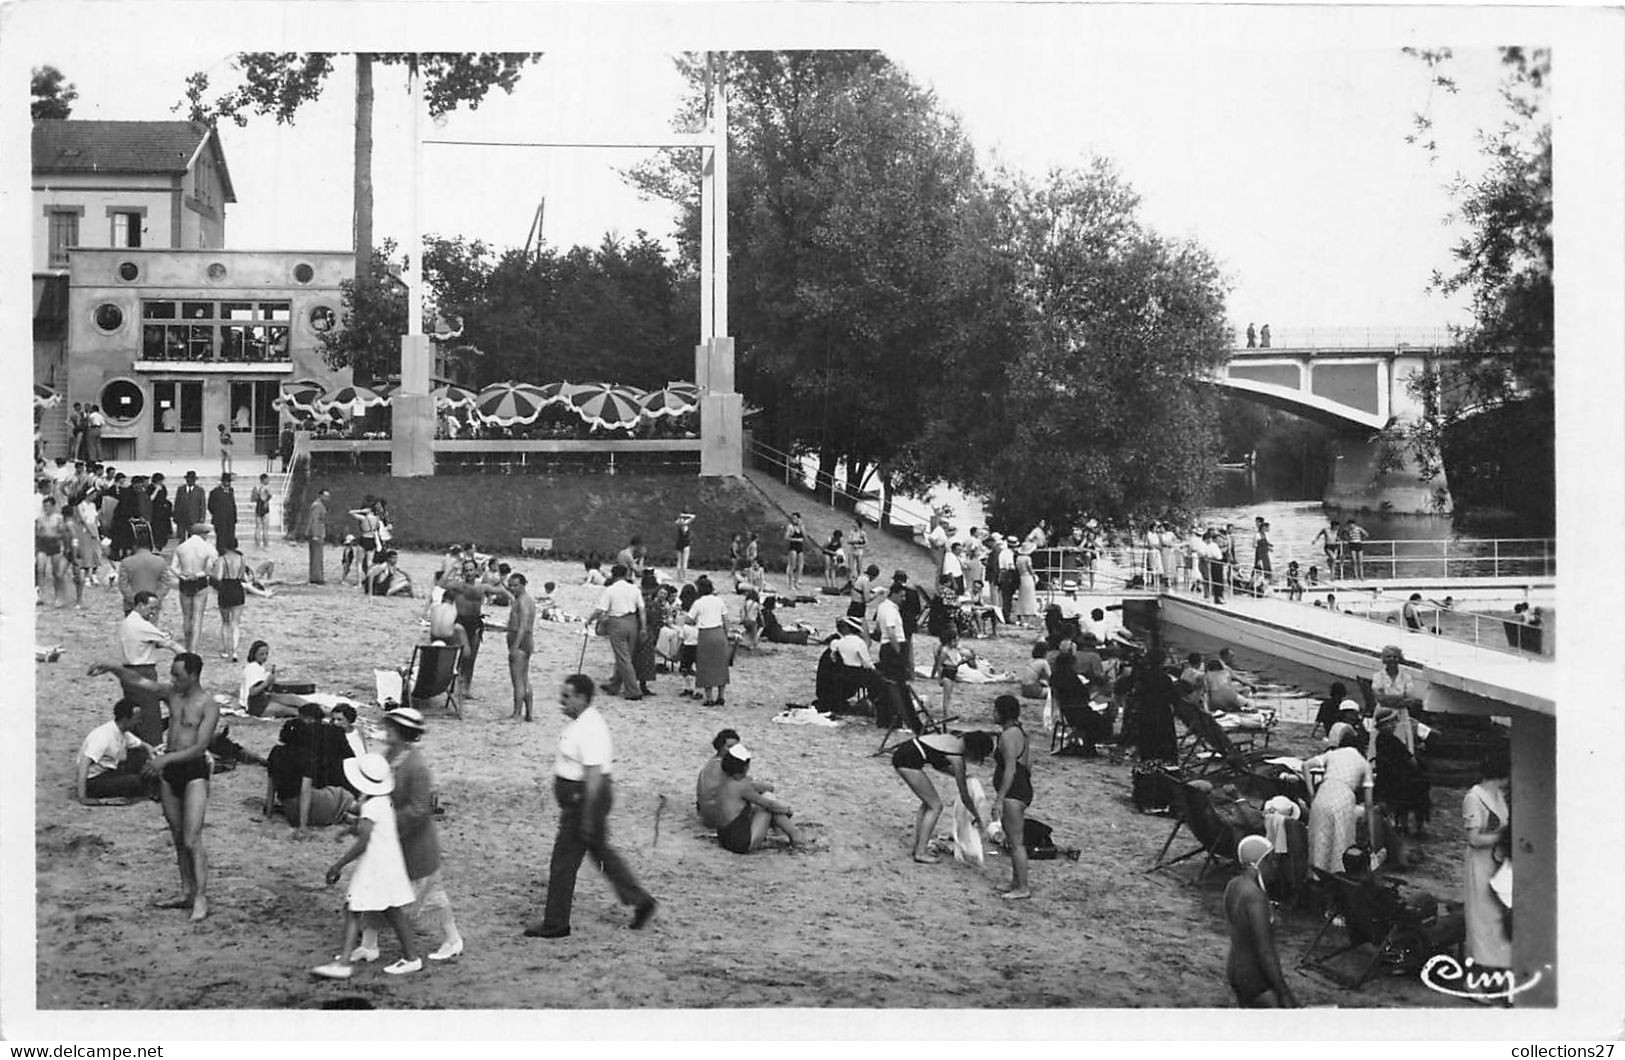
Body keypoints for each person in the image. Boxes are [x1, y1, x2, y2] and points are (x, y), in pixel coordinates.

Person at [523, 674, 657, 939]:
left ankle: (556, 923)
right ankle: (640, 900)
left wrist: (587, 815)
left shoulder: (590, 728)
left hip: (584, 800)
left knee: (563, 862)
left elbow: (594, 775)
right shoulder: (584, 722)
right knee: (602, 854)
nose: (561, 701)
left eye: (567, 696)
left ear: (582, 698)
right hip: (583, 799)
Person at [88, 653, 218, 921]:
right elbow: (138, 682)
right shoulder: (173, 695)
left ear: (193, 675)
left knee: (192, 838)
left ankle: (201, 896)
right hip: (170, 771)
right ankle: (186, 892)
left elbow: (199, 747)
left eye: (178, 675)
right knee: (178, 836)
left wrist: (164, 759)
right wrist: (113, 666)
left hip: (193, 771)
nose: (173, 680)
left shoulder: (208, 706)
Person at [352, 707, 466, 964]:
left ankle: (452, 939)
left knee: (429, 895)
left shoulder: (416, 766)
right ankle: (369, 944)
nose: (385, 731)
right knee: (377, 888)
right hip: (395, 841)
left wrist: (387, 820)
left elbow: (420, 808)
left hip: (413, 843)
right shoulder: (392, 755)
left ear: (401, 732)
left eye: (390, 727)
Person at [311, 753, 423, 979]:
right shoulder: (383, 802)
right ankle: (409, 956)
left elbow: (364, 842)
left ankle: (344, 963)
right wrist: (350, 829)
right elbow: (372, 829)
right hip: (388, 861)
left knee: (353, 908)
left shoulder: (371, 805)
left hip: (375, 865)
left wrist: (338, 864)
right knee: (390, 909)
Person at [890, 729, 996, 863]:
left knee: (928, 803)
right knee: (935, 806)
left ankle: (919, 846)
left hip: (906, 754)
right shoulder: (957, 757)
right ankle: (920, 852)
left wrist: (963, 777)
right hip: (907, 761)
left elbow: (938, 764)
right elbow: (964, 795)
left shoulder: (953, 741)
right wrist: (976, 816)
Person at [1224, 834, 1300, 1007]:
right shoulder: (1255, 897)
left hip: (1235, 969)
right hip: (1254, 976)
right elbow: (1265, 951)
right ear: (1256, 864)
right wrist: (1283, 992)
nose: (1274, 866)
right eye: (1270, 860)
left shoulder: (1234, 885)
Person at [704, 744, 804, 853]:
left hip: (724, 839)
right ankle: (795, 835)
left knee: (762, 803)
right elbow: (769, 804)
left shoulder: (725, 780)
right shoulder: (742, 785)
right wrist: (786, 810)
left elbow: (760, 788)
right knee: (768, 801)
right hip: (741, 844)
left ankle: (784, 832)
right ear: (745, 767)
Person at [1462, 755, 1512, 971]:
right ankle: (1477, 979)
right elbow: (1473, 839)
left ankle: (1495, 970)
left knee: (1497, 917)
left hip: (1497, 862)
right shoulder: (1474, 797)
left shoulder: (1499, 794)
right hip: (1480, 864)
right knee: (1481, 918)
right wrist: (1503, 838)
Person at [117, 590, 186, 746]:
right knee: (150, 716)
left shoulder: (128, 622)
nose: (154, 612)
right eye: (151, 608)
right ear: (141, 605)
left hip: (129, 671)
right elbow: (169, 643)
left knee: (136, 714)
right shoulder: (141, 625)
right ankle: (154, 749)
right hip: (142, 671)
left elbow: (154, 641)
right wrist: (188, 659)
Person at [1303, 727, 1373, 874]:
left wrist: (1311, 793)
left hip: (1324, 792)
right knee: (1341, 842)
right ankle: (1338, 877)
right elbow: (1369, 802)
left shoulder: (1332, 754)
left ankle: (1315, 878)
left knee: (1319, 838)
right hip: (1344, 797)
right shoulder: (1364, 764)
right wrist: (1368, 825)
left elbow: (1306, 765)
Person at [77, 699, 157, 803]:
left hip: (109, 771)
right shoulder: (103, 736)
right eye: (136, 719)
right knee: (135, 782)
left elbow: (143, 745)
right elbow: (84, 763)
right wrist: (83, 797)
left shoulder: (123, 732)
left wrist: (152, 753)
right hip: (94, 780)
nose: (139, 722)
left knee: (139, 757)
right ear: (125, 719)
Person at [993, 695, 1033, 899]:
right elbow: (1027, 765)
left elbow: (1010, 769)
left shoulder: (1008, 736)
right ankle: (1015, 881)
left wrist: (1000, 798)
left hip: (1013, 792)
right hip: (1022, 787)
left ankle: (1023, 887)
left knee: (1016, 842)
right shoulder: (1021, 733)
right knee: (1012, 839)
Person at [588, 563, 646, 702]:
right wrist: (643, 627)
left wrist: (589, 620)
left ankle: (633, 690)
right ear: (626, 574)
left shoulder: (610, 590)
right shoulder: (634, 589)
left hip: (617, 623)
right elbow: (642, 610)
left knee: (623, 658)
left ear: (613, 576)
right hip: (633, 622)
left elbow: (600, 610)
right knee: (626, 656)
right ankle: (614, 684)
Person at [686, 575, 731, 705]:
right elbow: (726, 620)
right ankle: (721, 696)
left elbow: (689, 619)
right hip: (719, 633)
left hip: (706, 635)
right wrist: (727, 635)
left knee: (705, 666)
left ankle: (709, 698)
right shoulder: (719, 601)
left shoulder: (698, 603)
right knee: (721, 665)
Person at [1371, 645, 1423, 753]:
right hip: (1383, 715)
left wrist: (1388, 699)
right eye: (1389, 656)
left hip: (1401, 715)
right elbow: (1380, 698)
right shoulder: (1378, 676)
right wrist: (1400, 697)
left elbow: (1410, 700)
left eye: (1395, 656)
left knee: (1402, 742)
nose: (1392, 659)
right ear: (1383, 659)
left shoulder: (1406, 677)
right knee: (1380, 742)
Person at [239, 641, 306, 719]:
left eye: (266, 654)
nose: (265, 657)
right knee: (289, 709)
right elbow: (252, 692)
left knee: (292, 698)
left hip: (264, 698)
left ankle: (316, 708)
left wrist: (270, 682)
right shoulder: (252, 668)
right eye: (261, 654)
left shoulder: (259, 667)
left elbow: (267, 689)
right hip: (255, 706)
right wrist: (267, 682)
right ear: (254, 654)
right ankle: (313, 714)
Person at [507, 571, 537, 721]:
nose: (512, 588)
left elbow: (523, 625)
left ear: (523, 585)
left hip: (520, 640)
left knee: (517, 679)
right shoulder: (524, 599)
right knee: (524, 678)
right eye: (510, 585)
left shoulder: (523, 601)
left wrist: (515, 646)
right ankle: (529, 713)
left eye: (515, 586)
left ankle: (517, 713)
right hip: (525, 640)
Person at [210, 544, 247, 662]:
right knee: (235, 623)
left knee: (225, 622)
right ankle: (235, 651)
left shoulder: (221, 560)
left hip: (225, 589)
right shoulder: (241, 558)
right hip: (237, 588)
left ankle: (226, 650)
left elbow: (219, 577)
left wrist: (210, 573)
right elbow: (243, 577)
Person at [35, 496, 71, 608]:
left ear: (53, 507)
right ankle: (39, 593)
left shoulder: (58, 518)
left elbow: (63, 533)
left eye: (48, 506)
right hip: (43, 545)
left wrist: (63, 544)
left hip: (54, 544)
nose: (46, 508)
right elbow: (36, 533)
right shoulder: (40, 518)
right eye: (45, 506)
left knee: (56, 573)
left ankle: (58, 596)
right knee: (40, 568)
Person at [633, 569, 663, 694]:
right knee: (645, 659)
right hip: (647, 631)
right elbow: (656, 619)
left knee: (635, 657)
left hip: (634, 629)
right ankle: (642, 684)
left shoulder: (635, 597)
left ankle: (633, 682)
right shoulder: (650, 603)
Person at [208, 474, 238, 552]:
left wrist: (234, 517)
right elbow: (210, 505)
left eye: (229, 482)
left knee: (230, 538)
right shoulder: (215, 492)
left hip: (230, 520)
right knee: (221, 539)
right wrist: (217, 514)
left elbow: (233, 504)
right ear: (222, 482)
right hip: (220, 520)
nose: (227, 483)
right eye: (226, 482)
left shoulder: (231, 491)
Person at [307, 488, 330, 584]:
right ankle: (316, 577)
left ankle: (316, 576)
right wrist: (315, 534)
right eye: (325, 496)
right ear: (320, 496)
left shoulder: (319, 505)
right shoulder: (317, 506)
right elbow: (314, 520)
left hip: (319, 533)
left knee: (318, 556)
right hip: (317, 534)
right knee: (316, 556)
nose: (327, 498)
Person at [1013, 544, 1038, 629]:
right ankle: (1027, 619)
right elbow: (1030, 568)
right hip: (1028, 577)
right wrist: (1034, 575)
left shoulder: (1018, 558)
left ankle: (1019, 617)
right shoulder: (1027, 558)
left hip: (1021, 577)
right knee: (1029, 598)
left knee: (1022, 597)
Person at [148, 472, 173, 552]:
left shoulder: (163, 487)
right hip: (154, 511)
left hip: (163, 512)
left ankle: (161, 545)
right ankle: (155, 544)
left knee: (163, 529)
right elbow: (150, 499)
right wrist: (156, 490)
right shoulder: (150, 487)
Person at [249, 473, 273, 550]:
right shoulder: (266, 488)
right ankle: (265, 545)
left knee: (258, 528)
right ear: (264, 479)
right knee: (265, 529)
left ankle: (257, 545)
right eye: (267, 479)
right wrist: (266, 500)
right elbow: (269, 496)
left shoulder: (256, 488)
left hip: (258, 507)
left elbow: (252, 499)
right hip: (265, 508)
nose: (268, 480)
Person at [783, 513, 807, 590]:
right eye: (793, 518)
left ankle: (796, 582)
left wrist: (802, 527)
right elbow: (786, 537)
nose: (794, 520)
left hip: (800, 547)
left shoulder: (801, 526)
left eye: (796, 518)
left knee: (800, 565)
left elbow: (805, 537)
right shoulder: (790, 527)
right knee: (792, 565)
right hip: (793, 546)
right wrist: (796, 539)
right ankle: (790, 584)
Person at [673, 513, 695, 584]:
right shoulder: (685, 525)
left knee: (679, 561)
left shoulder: (679, 525)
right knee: (685, 562)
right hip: (685, 544)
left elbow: (677, 521)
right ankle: (684, 578)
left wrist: (681, 516)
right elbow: (693, 517)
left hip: (679, 544)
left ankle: (679, 577)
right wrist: (686, 515)